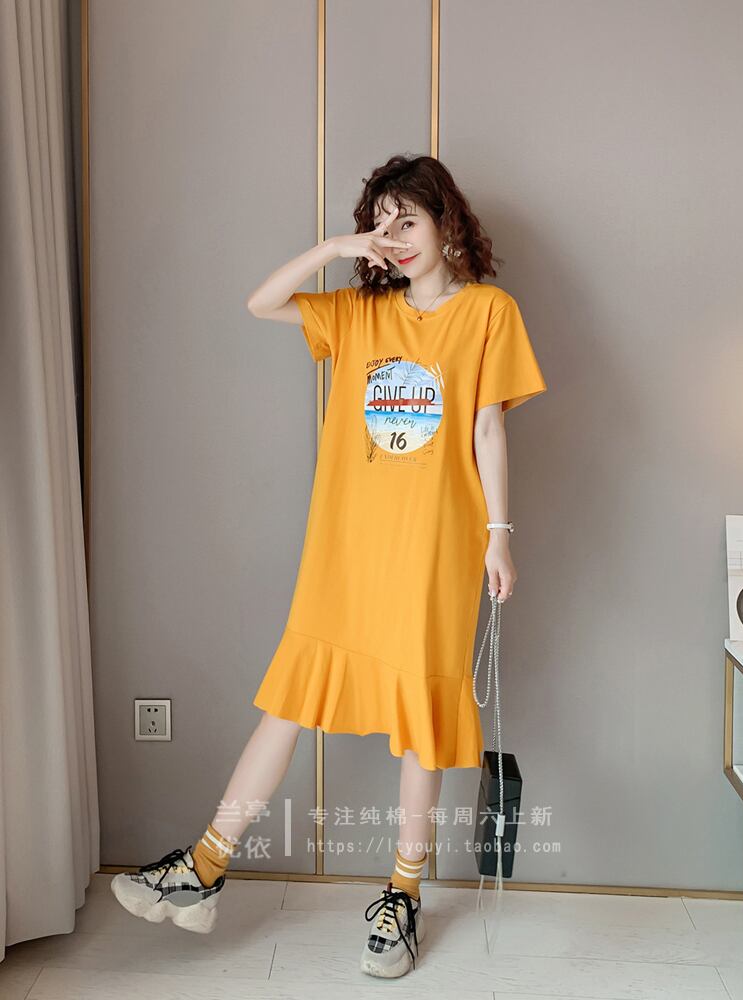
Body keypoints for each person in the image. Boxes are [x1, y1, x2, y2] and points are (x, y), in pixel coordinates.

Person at [110, 154, 547, 979]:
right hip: (345, 546)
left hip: (434, 547)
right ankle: (204, 866)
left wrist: (499, 535)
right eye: (381, 224)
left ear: (447, 222)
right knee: (289, 700)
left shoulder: (489, 311)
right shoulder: (356, 312)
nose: (395, 237)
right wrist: (335, 249)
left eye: (408, 220)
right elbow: (261, 302)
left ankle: (402, 898)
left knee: (422, 716)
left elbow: (488, 428)